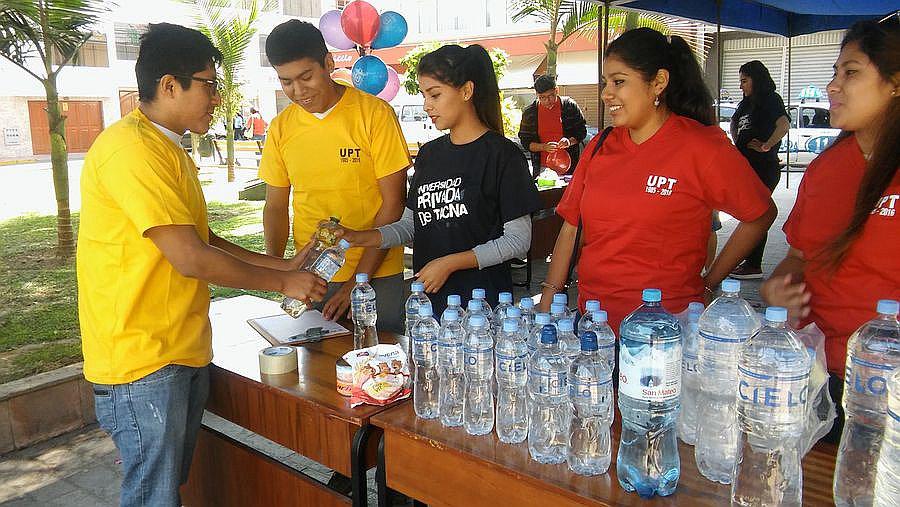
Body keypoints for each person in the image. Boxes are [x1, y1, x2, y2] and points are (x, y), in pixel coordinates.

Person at [76, 23, 327, 507]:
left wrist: (283, 265)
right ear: (170, 85)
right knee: (154, 495)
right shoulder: (132, 149)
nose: (217, 99)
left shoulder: (167, 147)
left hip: (178, 346)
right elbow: (190, 258)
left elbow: (203, 238)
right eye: (210, 85)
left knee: (170, 488)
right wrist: (284, 282)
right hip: (142, 357)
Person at [537, 27, 777, 330]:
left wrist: (710, 282)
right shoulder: (599, 147)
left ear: (658, 82)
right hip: (595, 326)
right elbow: (571, 229)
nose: (606, 93)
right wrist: (549, 296)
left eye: (619, 82)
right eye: (605, 82)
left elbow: (760, 213)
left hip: (667, 332)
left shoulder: (701, 146)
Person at [761, 17, 899, 442]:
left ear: (895, 83)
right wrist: (776, 288)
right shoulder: (824, 170)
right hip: (824, 380)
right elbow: (799, 257)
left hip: (890, 394)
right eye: (835, 72)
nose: (832, 86)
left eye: (851, 72)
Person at [338, 44, 542, 316]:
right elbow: (412, 226)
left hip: (480, 311)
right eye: (424, 95)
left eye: (434, 94)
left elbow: (517, 241)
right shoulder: (429, 154)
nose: (426, 105)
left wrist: (451, 263)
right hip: (430, 310)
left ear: (467, 91)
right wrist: (359, 237)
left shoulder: (502, 155)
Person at [258, 20, 410, 332]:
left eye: (306, 77)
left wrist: (357, 281)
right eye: (286, 82)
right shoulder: (281, 127)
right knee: (314, 374)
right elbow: (275, 206)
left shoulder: (374, 114)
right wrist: (277, 271)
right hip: (310, 276)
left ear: (328, 63)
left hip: (375, 274)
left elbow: (393, 204)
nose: (298, 91)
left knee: (379, 371)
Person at [729, 60, 790, 279]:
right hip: (746, 167)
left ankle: (753, 264)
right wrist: (738, 144)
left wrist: (767, 145)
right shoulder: (746, 103)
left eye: (744, 81)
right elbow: (735, 124)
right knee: (750, 213)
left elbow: (783, 124)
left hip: (764, 167)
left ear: (757, 79)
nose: (741, 86)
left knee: (757, 214)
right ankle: (750, 262)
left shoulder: (770, 99)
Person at [518, 74, 588, 176]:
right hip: (542, 167)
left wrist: (569, 141)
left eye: (551, 96)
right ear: (537, 94)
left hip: (569, 165)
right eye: (542, 97)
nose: (547, 101)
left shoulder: (569, 106)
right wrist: (544, 147)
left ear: (556, 90)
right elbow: (526, 142)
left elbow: (581, 132)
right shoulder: (530, 113)